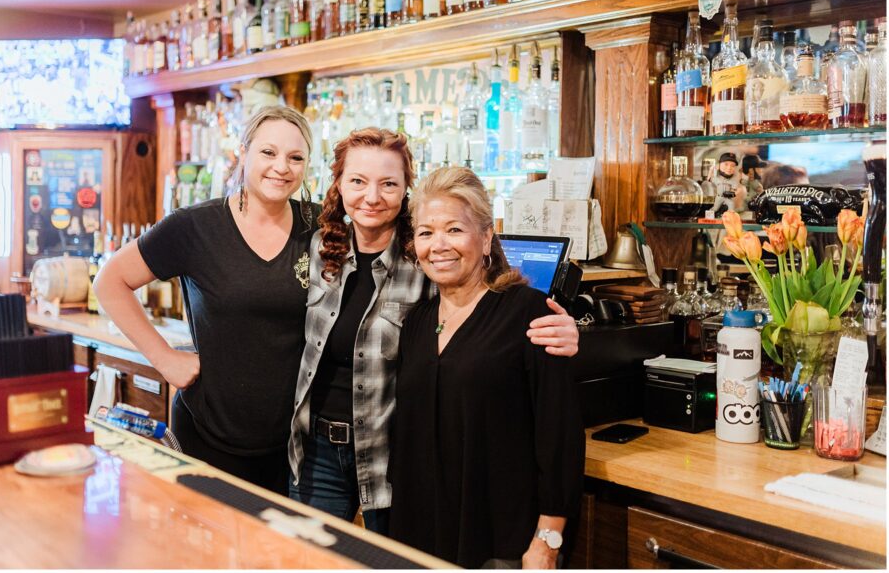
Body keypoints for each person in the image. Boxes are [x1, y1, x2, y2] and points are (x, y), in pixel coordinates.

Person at [288, 130, 580, 536]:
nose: (372, 196)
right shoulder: (319, 248)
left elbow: (487, 309)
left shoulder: (422, 260)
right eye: (357, 181)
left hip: (389, 455)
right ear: (337, 184)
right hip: (318, 449)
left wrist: (575, 334)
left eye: (388, 183)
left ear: (406, 189)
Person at [94, 106, 317, 494]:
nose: (282, 166)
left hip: (291, 443)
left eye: (295, 157)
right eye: (268, 152)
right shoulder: (195, 226)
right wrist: (164, 359)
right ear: (243, 153)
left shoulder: (318, 226)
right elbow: (110, 281)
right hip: (207, 433)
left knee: (274, 554)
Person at [388, 166, 584, 569]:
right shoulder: (417, 323)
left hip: (502, 543)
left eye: (454, 230)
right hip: (420, 536)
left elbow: (559, 437)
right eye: (425, 233)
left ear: (486, 236)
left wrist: (547, 542)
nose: (438, 245)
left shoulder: (529, 313)